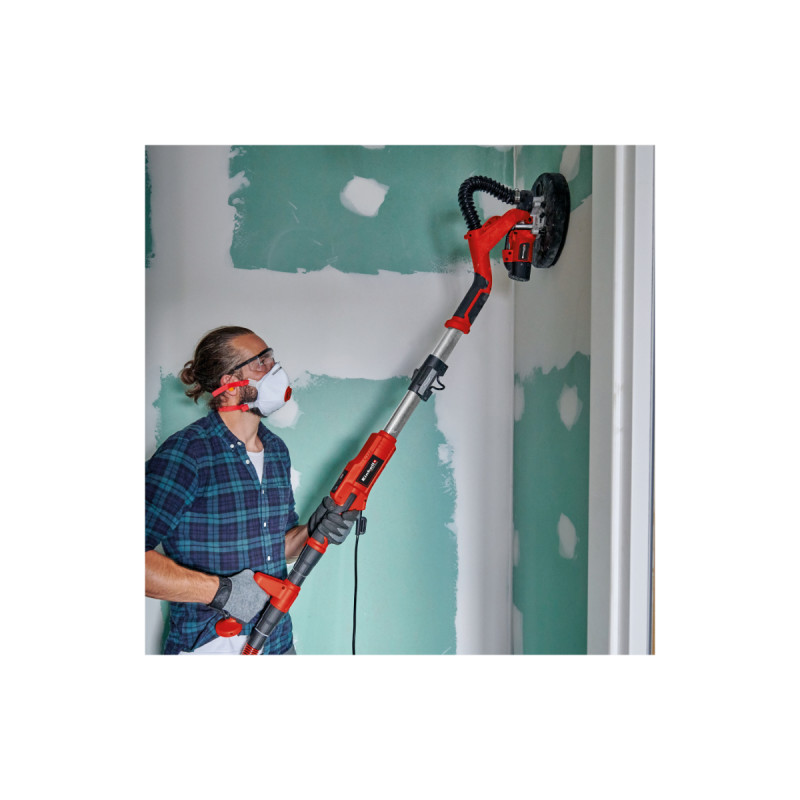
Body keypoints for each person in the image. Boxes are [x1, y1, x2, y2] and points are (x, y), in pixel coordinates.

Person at [146, 325, 358, 655]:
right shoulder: (187, 453)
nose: (275, 370)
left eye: (272, 358)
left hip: (276, 639)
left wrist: (315, 527)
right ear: (230, 383)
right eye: (261, 362)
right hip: (212, 646)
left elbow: (278, 548)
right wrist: (221, 592)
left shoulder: (276, 450)